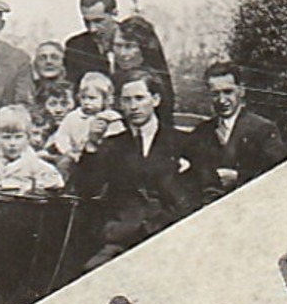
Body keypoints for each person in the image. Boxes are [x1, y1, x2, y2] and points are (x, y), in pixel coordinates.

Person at [72, 67, 199, 270]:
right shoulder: (112, 145)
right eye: (127, 100)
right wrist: (92, 145)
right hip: (121, 240)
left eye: (139, 98)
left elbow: (194, 197)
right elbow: (86, 191)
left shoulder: (182, 142)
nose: (133, 106)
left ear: (155, 100)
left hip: (170, 237)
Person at [185, 60, 287, 201]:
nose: (222, 100)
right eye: (215, 94)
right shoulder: (201, 132)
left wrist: (239, 178)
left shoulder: (262, 129)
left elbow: (281, 176)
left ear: (241, 91)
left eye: (228, 92)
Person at [48, 71, 124, 169]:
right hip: (74, 157)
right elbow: (62, 136)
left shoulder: (111, 118)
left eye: (92, 98)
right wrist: (67, 151)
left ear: (105, 99)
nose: (87, 102)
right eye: (83, 98)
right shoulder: (73, 116)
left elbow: (116, 141)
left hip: (102, 160)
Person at [0, 105, 64, 196]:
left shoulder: (31, 161)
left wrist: (33, 185)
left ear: (27, 138)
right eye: (6, 137)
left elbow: (57, 180)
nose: (12, 143)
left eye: (18, 137)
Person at [112, 15, 176, 122]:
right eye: (118, 46)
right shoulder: (114, 77)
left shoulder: (154, 82)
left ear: (144, 48)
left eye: (129, 46)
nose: (122, 54)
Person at [64, 0, 118, 87]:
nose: (92, 29)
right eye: (87, 22)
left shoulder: (135, 39)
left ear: (114, 13)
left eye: (98, 21)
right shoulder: (76, 47)